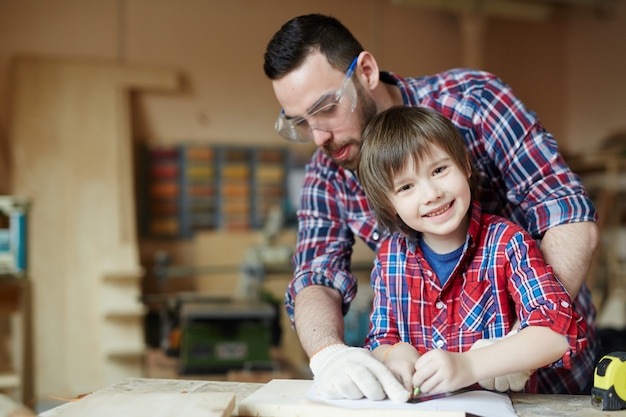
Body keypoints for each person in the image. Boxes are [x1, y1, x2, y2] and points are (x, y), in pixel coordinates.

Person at [262, 13, 600, 401]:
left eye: (326, 108)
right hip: (440, 395)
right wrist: (330, 356)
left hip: (552, 381)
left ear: (366, 71)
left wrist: (515, 347)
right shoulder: (332, 175)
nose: (319, 136)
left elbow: (565, 211)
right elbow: (316, 275)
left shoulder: (472, 102)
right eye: (301, 123)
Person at [358, 105, 587, 398]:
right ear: (389, 204)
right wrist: (394, 353)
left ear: (465, 165)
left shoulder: (508, 243)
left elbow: (557, 332)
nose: (431, 194)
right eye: (406, 187)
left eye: (439, 170)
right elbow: (380, 340)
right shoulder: (390, 257)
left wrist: (468, 365)